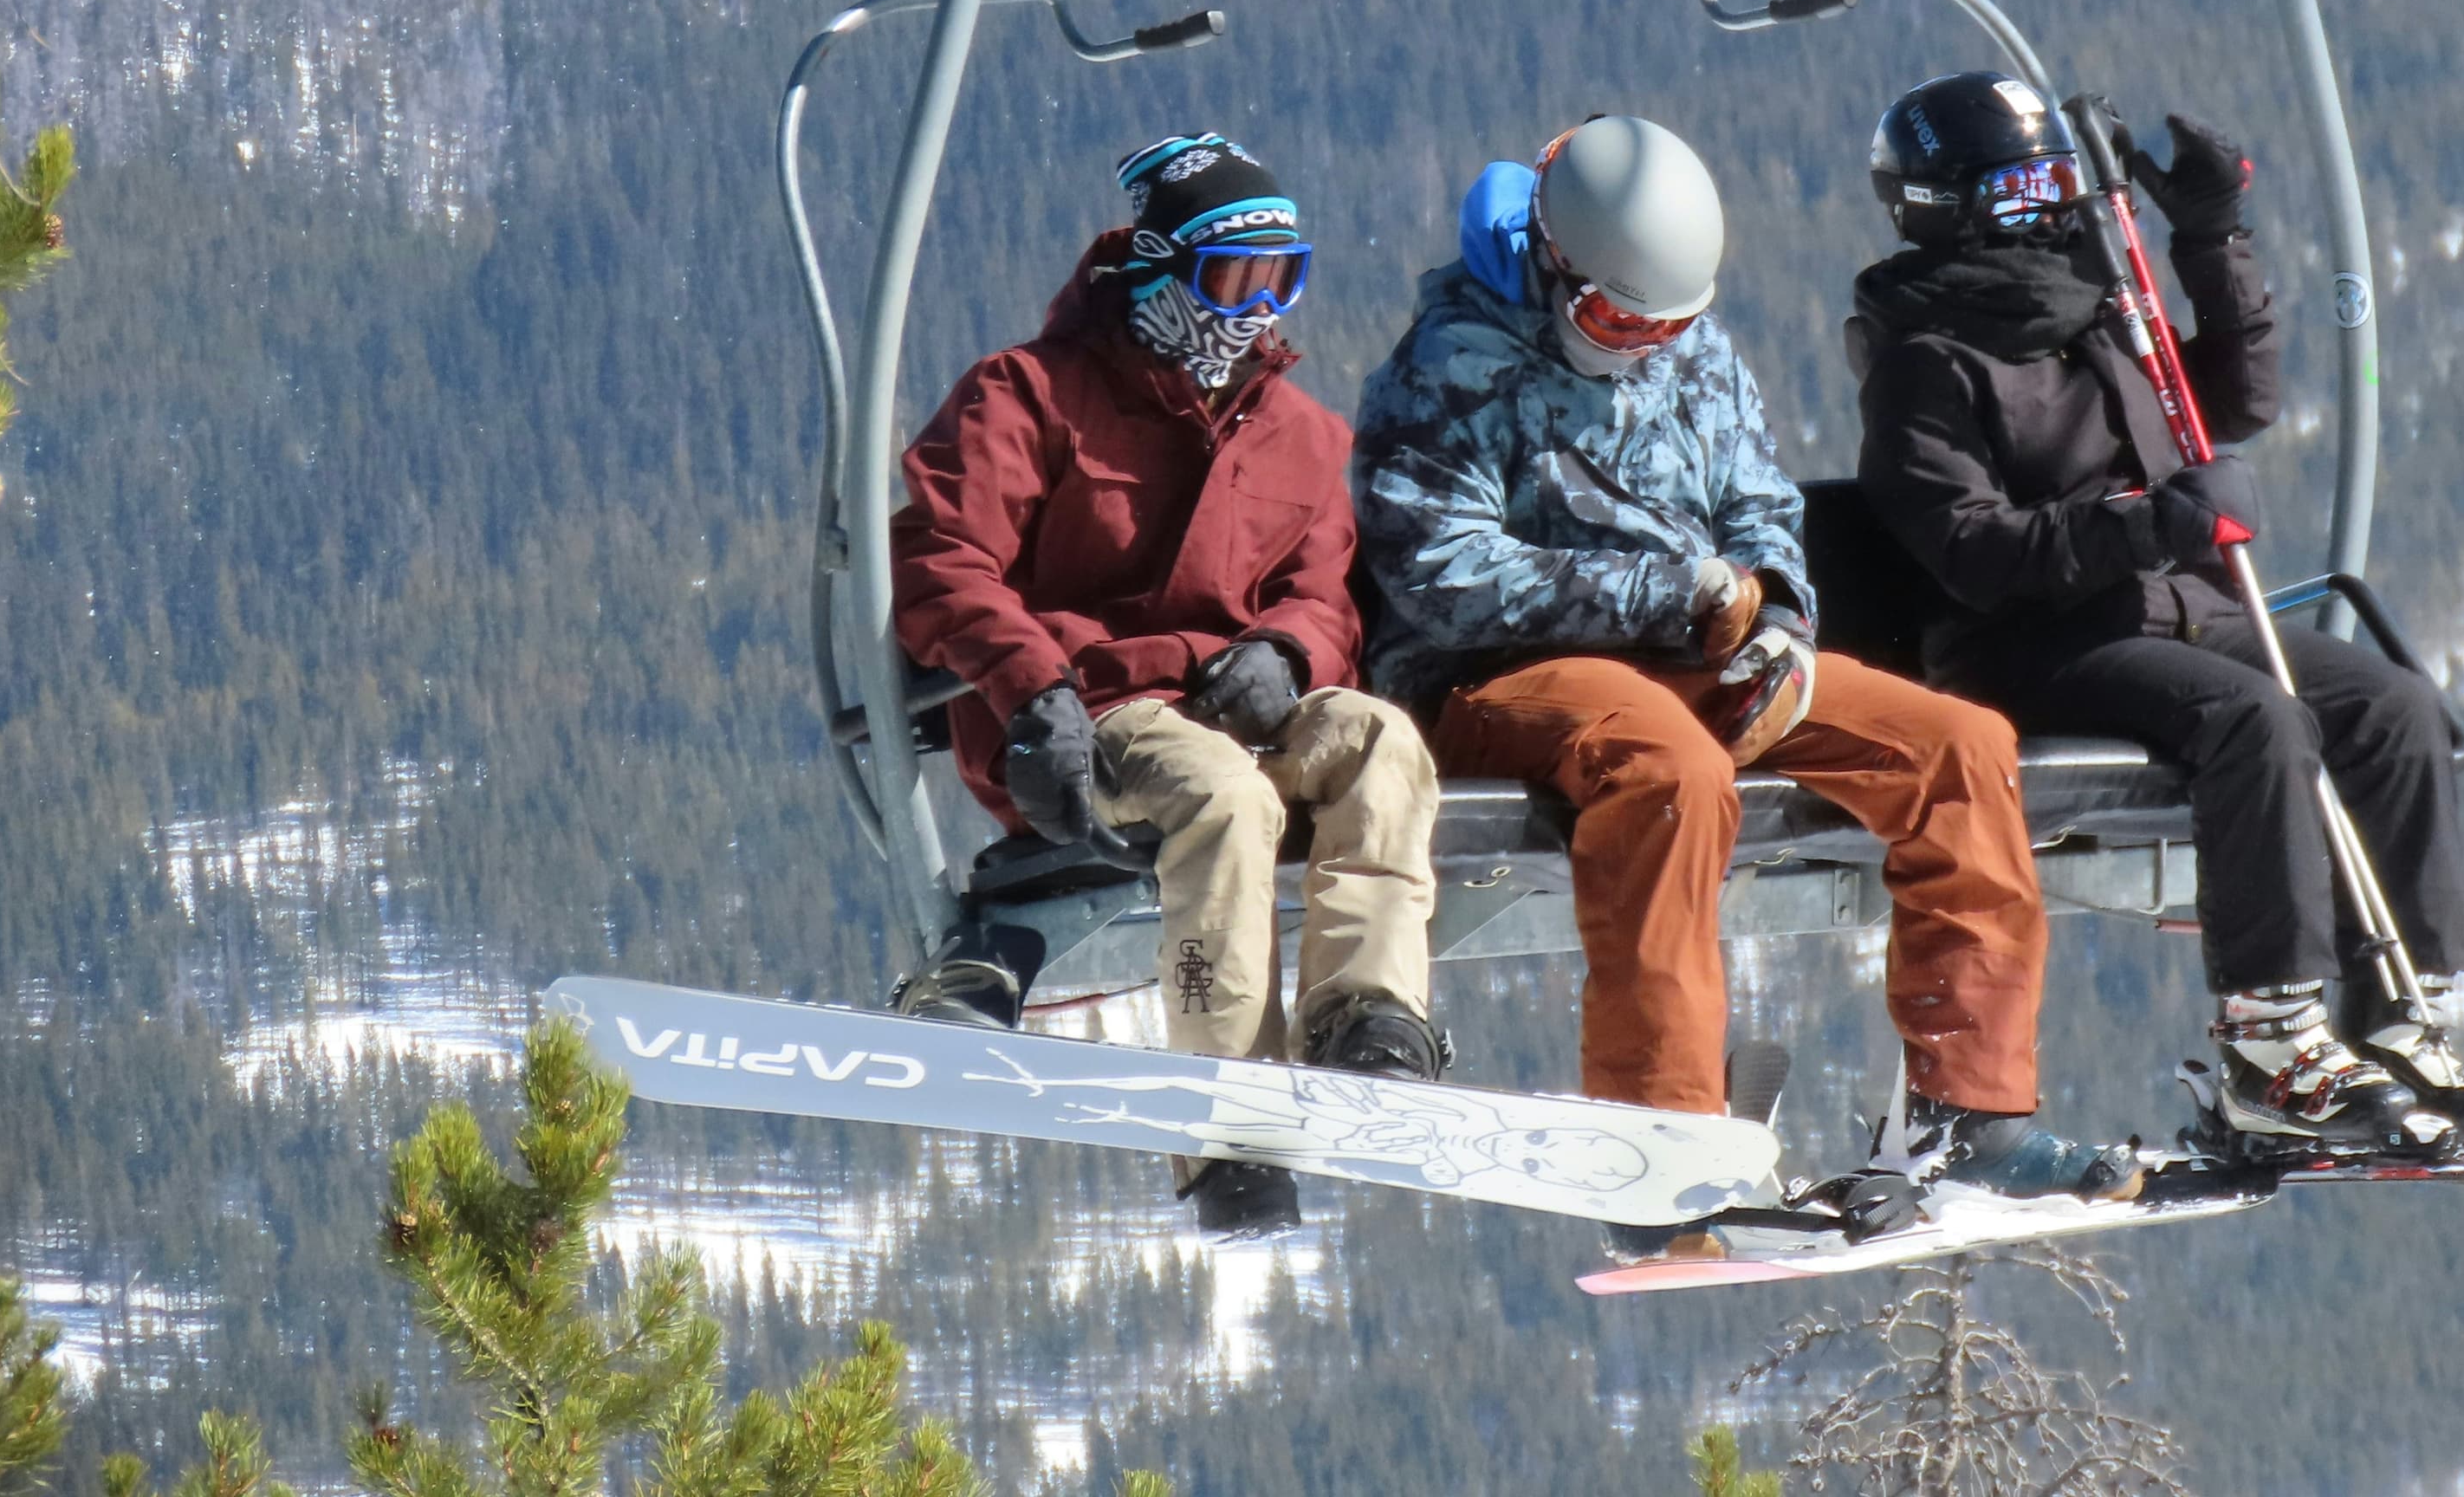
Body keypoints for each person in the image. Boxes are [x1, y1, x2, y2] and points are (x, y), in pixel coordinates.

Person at [1352, 113, 2137, 1258]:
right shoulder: (1446, 372)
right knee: (1669, 774)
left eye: (1665, 325)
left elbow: (1761, 506)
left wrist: (1776, 615)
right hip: (1502, 676)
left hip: (1700, 649)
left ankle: (1974, 1111)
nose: (1638, 348)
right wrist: (1670, 593)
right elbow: (1444, 575)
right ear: (1557, 267)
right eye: (1617, 320)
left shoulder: (1689, 354)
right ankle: (1655, 1145)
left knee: (1957, 745)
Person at [1847, 72, 2464, 1161]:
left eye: (2055, 181)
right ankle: (2272, 1044)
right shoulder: (1926, 365)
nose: (2048, 207)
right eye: (2020, 188)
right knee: (2255, 721)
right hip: (2037, 646)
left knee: (2390, 706)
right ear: (1949, 207)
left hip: (2176, 612)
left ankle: (2404, 1006)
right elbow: (1971, 552)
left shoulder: (2095, 310)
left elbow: (2233, 401)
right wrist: (2146, 524)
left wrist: (2216, 241)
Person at [891, 132, 1447, 1238]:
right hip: (1084, 715)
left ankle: (1367, 1019)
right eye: (1229, 280)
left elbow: (1328, 594)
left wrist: (1287, 651)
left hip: (1242, 707)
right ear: (1159, 270)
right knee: (1225, 796)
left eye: (1280, 279)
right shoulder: (1033, 394)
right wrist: (1029, 683)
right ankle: (1229, 1121)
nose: (1254, 309)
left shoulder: (1300, 433)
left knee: (1380, 738)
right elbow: (941, 556)